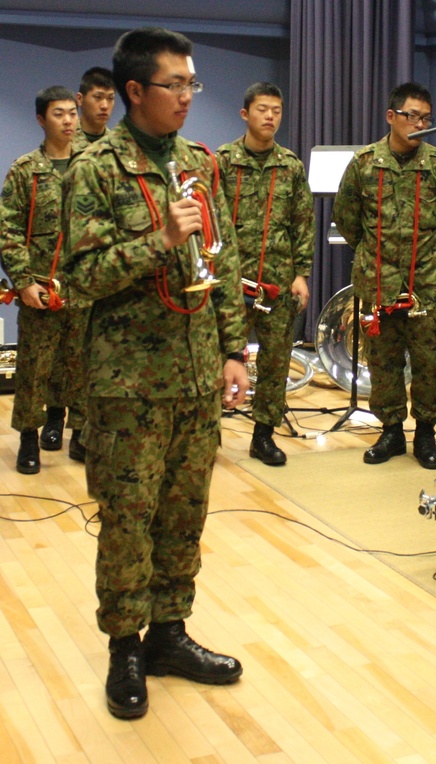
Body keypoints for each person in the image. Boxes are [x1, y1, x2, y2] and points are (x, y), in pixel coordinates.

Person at [61, 27, 250, 721]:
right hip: (128, 384)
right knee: (129, 520)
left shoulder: (198, 163)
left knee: (184, 515)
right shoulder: (97, 168)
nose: (187, 97)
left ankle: (170, 633)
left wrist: (234, 351)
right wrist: (159, 241)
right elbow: (80, 278)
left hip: (197, 376)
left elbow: (223, 262)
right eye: (176, 84)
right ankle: (125, 648)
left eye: (192, 83)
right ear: (135, 90)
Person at [332, 81, 436, 470]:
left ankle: (425, 433)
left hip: (426, 281)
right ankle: (390, 431)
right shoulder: (365, 163)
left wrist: (422, 255)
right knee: (383, 360)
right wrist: (377, 255)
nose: (420, 124)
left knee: (430, 360)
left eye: (426, 118)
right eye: (412, 116)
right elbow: (347, 218)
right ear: (392, 117)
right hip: (379, 281)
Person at [216, 81, 315, 466]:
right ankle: (207, 435)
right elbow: (209, 221)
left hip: (277, 281)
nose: (270, 116)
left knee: (275, 362)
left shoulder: (290, 165)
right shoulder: (224, 161)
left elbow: (302, 223)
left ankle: (263, 436)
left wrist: (301, 274)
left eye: (276, 109)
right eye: (262, 109)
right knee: (218, 359)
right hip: (230, 281)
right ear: (245, 114)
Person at [0, 86, 79, 474]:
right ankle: (29, 437)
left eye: (72, 113)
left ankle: (71, 429)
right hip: (40, 285)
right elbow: (8, 227)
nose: (68, 121)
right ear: (41, 120)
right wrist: (23, 280)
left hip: (84, 286)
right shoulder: (25, 169)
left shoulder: (92, 165)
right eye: (58, 114)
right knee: (35, 366)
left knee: (80, 363)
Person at [73, 66, 116, 146]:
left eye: (110, 98)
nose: (105, 106)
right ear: (79, 99)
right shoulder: (64, 142)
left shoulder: (118, 146)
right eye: (98, 97)